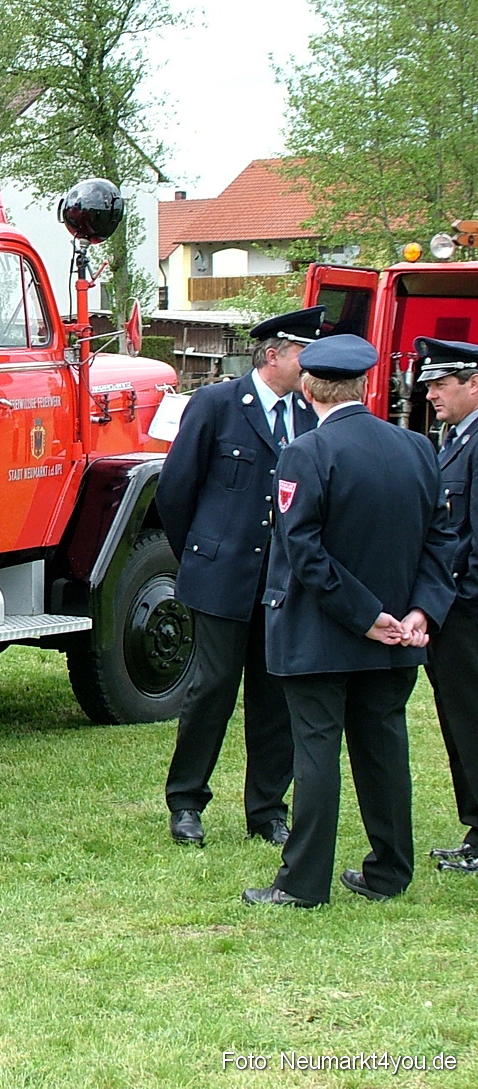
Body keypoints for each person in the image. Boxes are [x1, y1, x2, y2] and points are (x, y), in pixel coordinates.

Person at [243, 334, 456, 907]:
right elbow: (443, 541)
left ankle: (303, 883)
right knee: (383, 749)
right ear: (362, 386)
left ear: (308, 387)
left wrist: (368, 617)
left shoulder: (307, 453)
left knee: (316, 753)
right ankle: (389, 871)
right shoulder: (416, 447)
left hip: (324, 634)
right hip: (394, 636)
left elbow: (304, 552)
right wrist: (418, 612)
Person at [156, 306, 325, 847]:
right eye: (304, 353)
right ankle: (186, 802)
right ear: (272, 355)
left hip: (283, 584)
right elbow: (176, 491)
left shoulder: (308, 413)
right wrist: (202, 557)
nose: (311, 363)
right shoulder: (217, 403)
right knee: (212, 690)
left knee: (275, 696)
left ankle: (267, 810)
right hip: (222, 576)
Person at [415, 336, 478, 874]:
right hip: (452, 608)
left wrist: (453, 600)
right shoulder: (454, 438)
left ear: (474, 382)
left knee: (471, 718)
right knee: (459, 720)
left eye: (442, 384)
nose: (432, 394)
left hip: (467, 611)